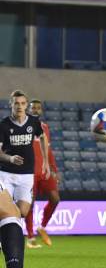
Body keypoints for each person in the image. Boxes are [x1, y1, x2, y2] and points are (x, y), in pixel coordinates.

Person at [0, 91, 50, 249]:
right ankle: (5, 240)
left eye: (22, 103)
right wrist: (10, 158)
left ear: (26, 105)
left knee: (22, 212)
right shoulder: (4, 125)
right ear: (11, 105)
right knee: (4, 209)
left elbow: (42, 138)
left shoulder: (34, 122)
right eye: (16, 103)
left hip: (26, 174)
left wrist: (46, 162)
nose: (20, 106)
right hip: (6, 173)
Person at [25, 99, 59, 247]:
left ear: (41, 111)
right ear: (29, 110)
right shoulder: (23, 127)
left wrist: (54, 170)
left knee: (55, 199)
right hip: (29, 171)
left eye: (38, 108)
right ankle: (31, 237)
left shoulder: (45, 127)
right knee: (30, 203)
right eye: (33, 108)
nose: (36, 110)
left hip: (44, 171)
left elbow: (48, 150)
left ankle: (42, 227)